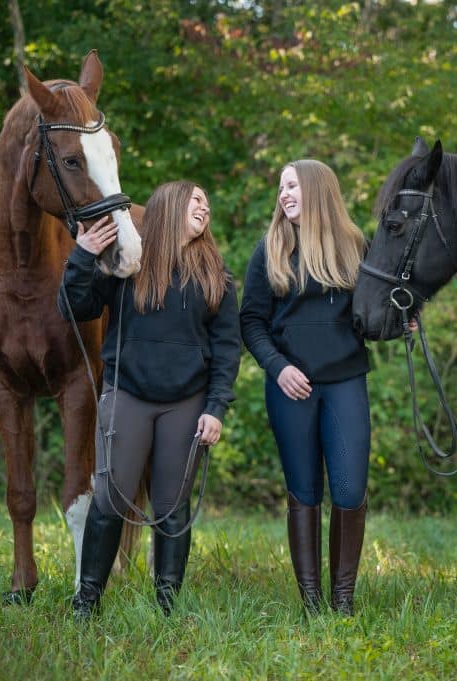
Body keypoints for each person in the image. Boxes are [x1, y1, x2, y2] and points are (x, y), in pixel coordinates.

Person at [59, 181, 240, 618]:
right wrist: (83, 254)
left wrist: (215, 409)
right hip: (128, 394)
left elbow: (228, 349)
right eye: (197, 199)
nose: (205, 207)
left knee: (172, 506)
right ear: (170, 206)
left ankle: (167, 606)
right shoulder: (127, 264)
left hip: (187, 403)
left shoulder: (217, 277)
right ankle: (87, 600)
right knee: (111, 497)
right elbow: (74, 306)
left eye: (207, 202)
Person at [240, 160, 371, 615]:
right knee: (304, 490)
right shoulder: (271, 248)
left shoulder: (354, 247)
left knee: (350, 490)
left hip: (345, 382)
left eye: (292, 185)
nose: (284, 194)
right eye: (281, 187)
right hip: (290, 388)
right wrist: (278, 368)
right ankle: (312, 602)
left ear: (316, 189)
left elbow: (369, 321)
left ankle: (343, 599)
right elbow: (251, 322)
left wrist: (402, 321)